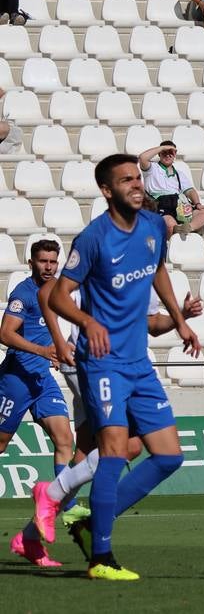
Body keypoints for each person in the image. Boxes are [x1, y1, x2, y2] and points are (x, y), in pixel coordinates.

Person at [48, 153, 200, 580]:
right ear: (106, 190)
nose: (137, 185)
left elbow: (159, 272)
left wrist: (181, 321)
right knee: (114, 449)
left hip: (139, 362)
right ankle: (101, 557)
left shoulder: (154, 226)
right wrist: (87, 320)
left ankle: (92, 521)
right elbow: (58, 297)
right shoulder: (93, 239)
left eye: (138, 178)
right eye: (126, 180)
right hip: (103, 364)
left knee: (168, 456)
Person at [1, 239, 75, 568]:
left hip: (43, 381)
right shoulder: (23, 293)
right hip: (16, 380)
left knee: (65, 440)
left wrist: (58, 352)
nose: (48, 266)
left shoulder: (60, 292)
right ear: (31, 263)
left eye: (52, 261)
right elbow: (5, 333)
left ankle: (57, 504)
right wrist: (43, 351)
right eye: (42, 261)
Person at [138, 142, 204, 238]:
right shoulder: (152, 168)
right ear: (159, 154)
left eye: (171, 152)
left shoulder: (179, 174)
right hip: (161, 203)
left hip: (179, 204)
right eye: (165, 152)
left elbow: (190, 191)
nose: (168, 155)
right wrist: (163, 147)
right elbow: (142, 157)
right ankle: (182, 232)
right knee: (169, 224)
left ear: (175, 155)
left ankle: (189, 227)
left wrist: (198, 204)